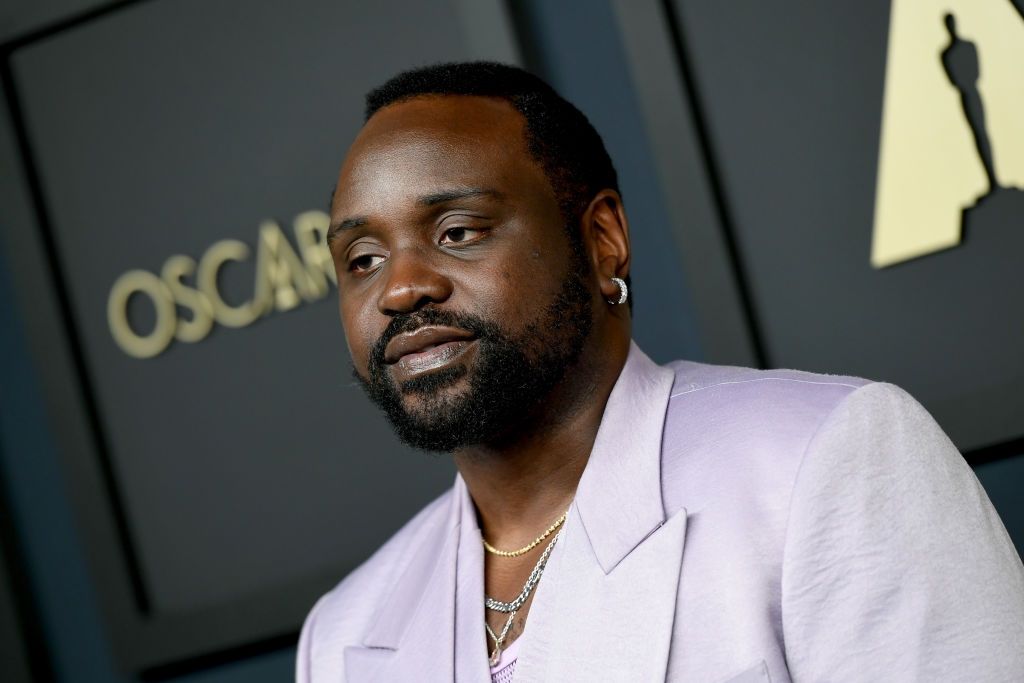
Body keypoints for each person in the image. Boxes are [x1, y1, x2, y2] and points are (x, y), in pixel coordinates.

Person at [297, 61, 1024, 682]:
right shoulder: (340, 634)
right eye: (362, 260)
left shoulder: (829, 460)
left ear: (603, 240)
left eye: (457, 232)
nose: (399, 288)